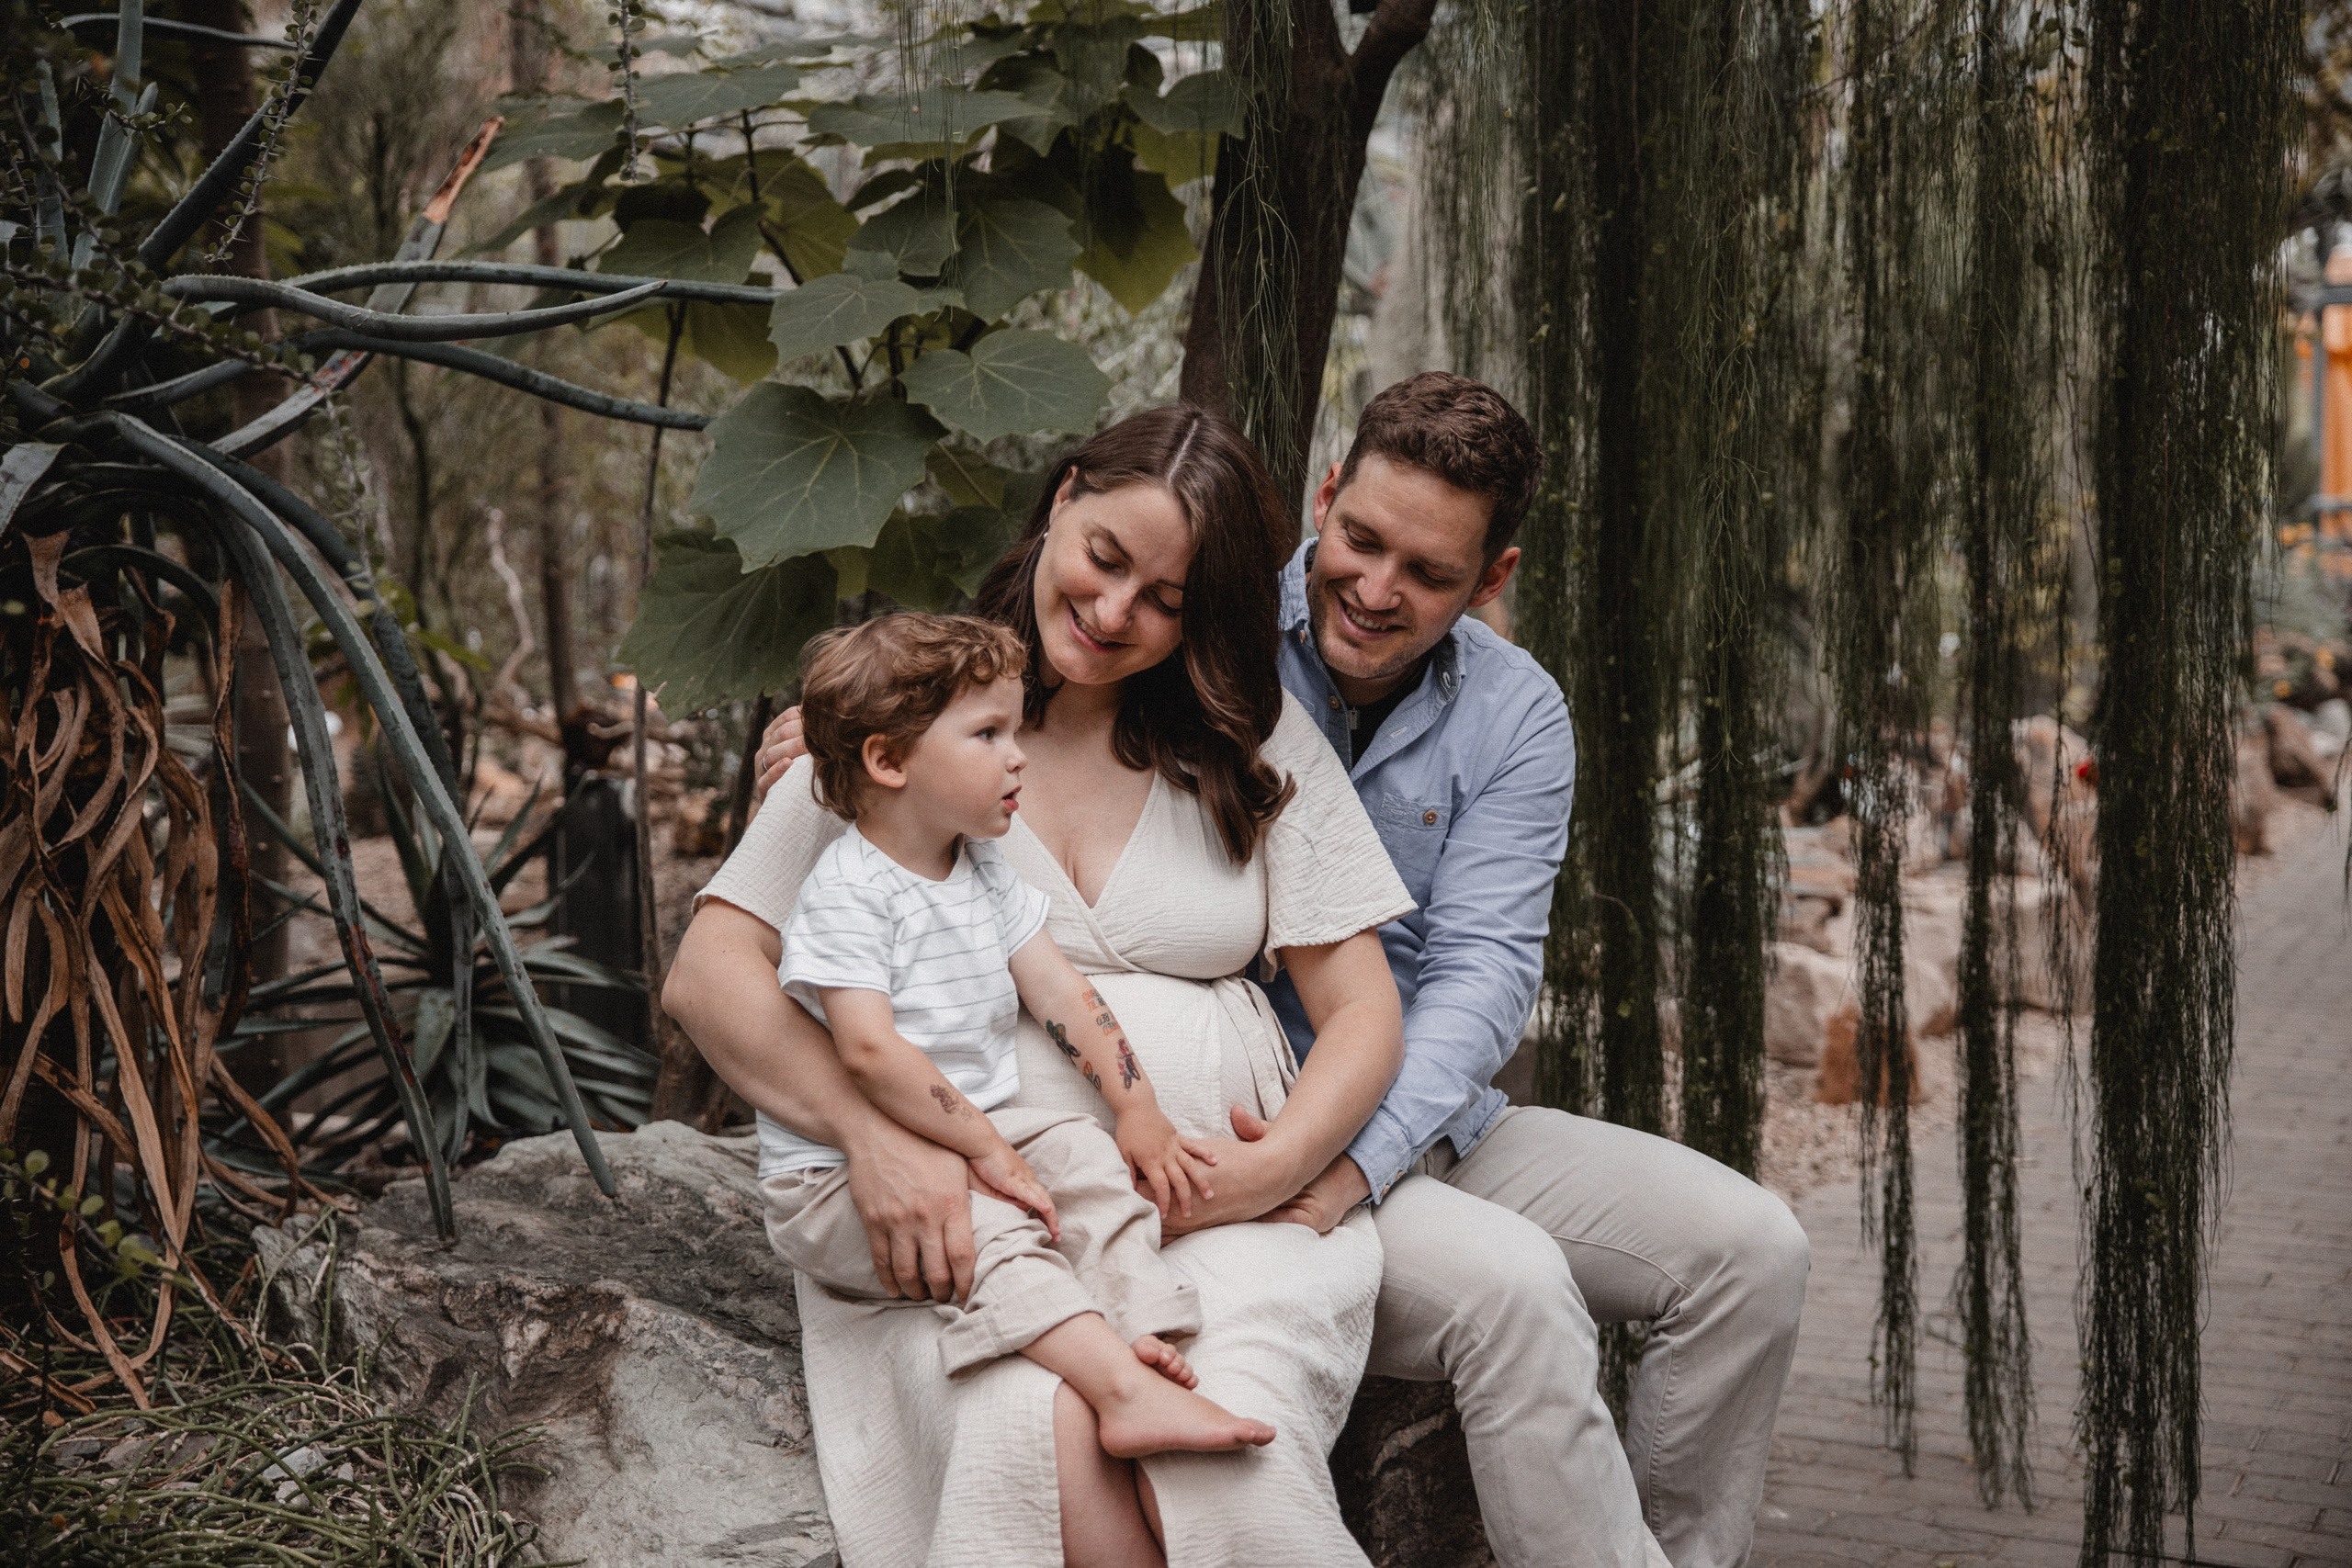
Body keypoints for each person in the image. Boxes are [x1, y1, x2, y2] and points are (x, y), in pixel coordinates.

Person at [750, 374, 1811, 1568]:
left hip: (1367, 1117)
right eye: (1359, 540)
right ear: (1325, 500)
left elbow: (1477, 977)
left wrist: (1328, 1157)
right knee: (1509, 1288)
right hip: (1158, 1148)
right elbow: (1029, 645)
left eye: (1428, 571)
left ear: (1490, 581)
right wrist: (850, 718)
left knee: (1752, 1250)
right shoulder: (1191, 604)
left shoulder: (1503, 712)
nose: (1374, 586)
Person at [666, 406, 1419, 1568]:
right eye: (1106, 559)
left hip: (1229, 1223)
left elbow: (1364, 1009)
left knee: (1234, 1456)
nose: (1117, 614)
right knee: (1036, 1433)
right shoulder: (912, 710)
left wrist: (1273, 1170)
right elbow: (711, 975)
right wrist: (876, 1139)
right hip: (976, 1219)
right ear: (1062, 501)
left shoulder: (1249, 738)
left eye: (1166, 600)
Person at [763, 611, 1272, 1458]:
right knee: (991, 1225)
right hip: (838, 1175)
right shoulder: (850, 889)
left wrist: (1136, 1106)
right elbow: (868, 1050)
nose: (1019, 753)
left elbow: (1061, 992)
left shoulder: (980, 864)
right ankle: (1117, 1391)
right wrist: (989, 1153)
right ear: (888, 760)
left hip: (972, 1133)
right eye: (988, 733)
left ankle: (1142, 1329)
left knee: (1082, 1152)